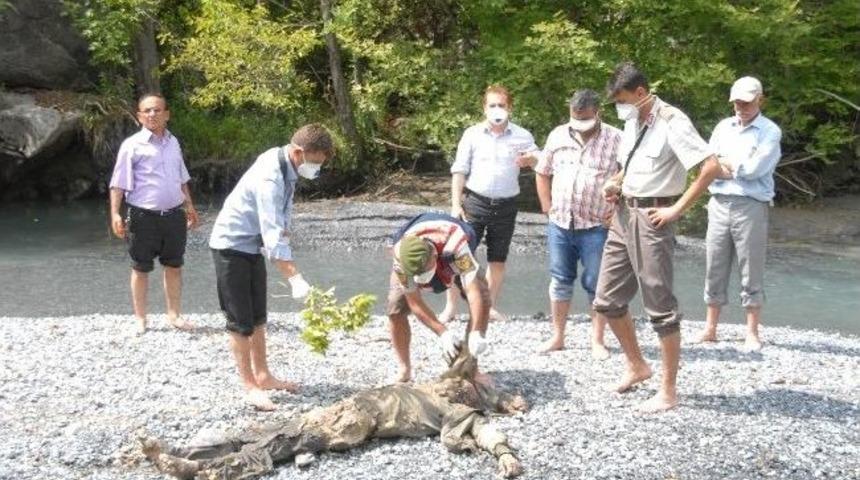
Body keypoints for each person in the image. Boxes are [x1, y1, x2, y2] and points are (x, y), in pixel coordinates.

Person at [139, 350, 527, 479]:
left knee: (285, 440)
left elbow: (485, 429)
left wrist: (504, 453)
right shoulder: (440, 390)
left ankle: (202, 468)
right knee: (280, 433)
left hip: (357, 418)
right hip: (354, 410)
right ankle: (188, 455)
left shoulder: (452, 405)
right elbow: (465, 372)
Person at [593, 62, 723, 412]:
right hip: (623, 212)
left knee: (659, 305)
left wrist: (675, 210)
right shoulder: (634, 119)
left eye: (622, 100)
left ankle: (668, 391)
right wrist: (615, 182)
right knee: (606, 300)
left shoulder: (672, 121)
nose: (619, 107)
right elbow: (629, 165)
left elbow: (710, 167)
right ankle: (637, 366)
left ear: (640, 93)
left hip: (653, 217)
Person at [208, 123, 334, 411]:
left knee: (258, 317)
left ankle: (263, 375)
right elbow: (272, 234)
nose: (316, 169)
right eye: (315, 163)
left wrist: (286, 230)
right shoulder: (270, 177)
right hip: (231, 245)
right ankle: (250, 386)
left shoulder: (285, 162)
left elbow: (280, 217)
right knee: (240, 322)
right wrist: (295, 278)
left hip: (253, 246)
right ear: (300, 152)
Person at [533, 89, 622, 359]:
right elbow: (542, 171)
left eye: (585, 118)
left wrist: (617, 210)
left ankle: (597, 340)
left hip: (596, 224)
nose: (580, 124)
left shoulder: (617, 138)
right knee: (560, 280)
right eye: (575, 118)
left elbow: (629, 175)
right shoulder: (558, 134)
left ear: (598, 113)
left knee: (597, 283)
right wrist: (546, 206)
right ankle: (558, 336)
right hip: (560, 221)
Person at [696, 76, 782, 351]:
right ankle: (710, 328)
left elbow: (756, 169)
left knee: (751, 267)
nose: (740, 107)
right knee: (714, 265)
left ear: (760, 100)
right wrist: (731, 167)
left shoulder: (770, 131)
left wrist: (727, 166)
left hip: (751, 205)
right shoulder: (723, 127)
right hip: (719, 202)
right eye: (737, 102)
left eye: (746, 102)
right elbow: (708, 164)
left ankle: (752, 332)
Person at [443, 85, 539, 323]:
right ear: (484, 108)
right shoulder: (472, 134)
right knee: (458, 256)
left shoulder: (522, 135)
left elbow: (540, 161)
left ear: (510, 108)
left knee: (498, 259)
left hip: (507, 205)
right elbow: (459, 171)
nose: (497, 109)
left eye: (502, 105)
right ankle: (451, 308)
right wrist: (456, 204)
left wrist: (532, 159)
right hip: (475, 202)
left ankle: (488, 306)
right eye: (492, 105)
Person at [109, 92, 199, 334]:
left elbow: (181, 177)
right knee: (140, 267)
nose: (152, 114)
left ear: (166, 114)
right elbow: (118, 183)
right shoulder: (131, 146)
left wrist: (189, 205)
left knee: (174, 265)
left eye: (157, 110)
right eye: (147, 110)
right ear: (139, 116)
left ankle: (174, 315)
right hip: (142, 216)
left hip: (173, 215)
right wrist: (115, 214)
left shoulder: (174, 142)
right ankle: (140, 318)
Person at [387, 212, 491, 383]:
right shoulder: (401, 256)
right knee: (395, 309)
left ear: (434, 256)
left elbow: (473, 293)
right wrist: (443, 333)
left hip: (450, 253)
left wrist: (476, 333)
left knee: (483, 299)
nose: (422, 278)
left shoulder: (457, 247)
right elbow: (415, 302)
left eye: (425, 271)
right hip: (413, 261)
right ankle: (404, 370)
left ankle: (470, 369)